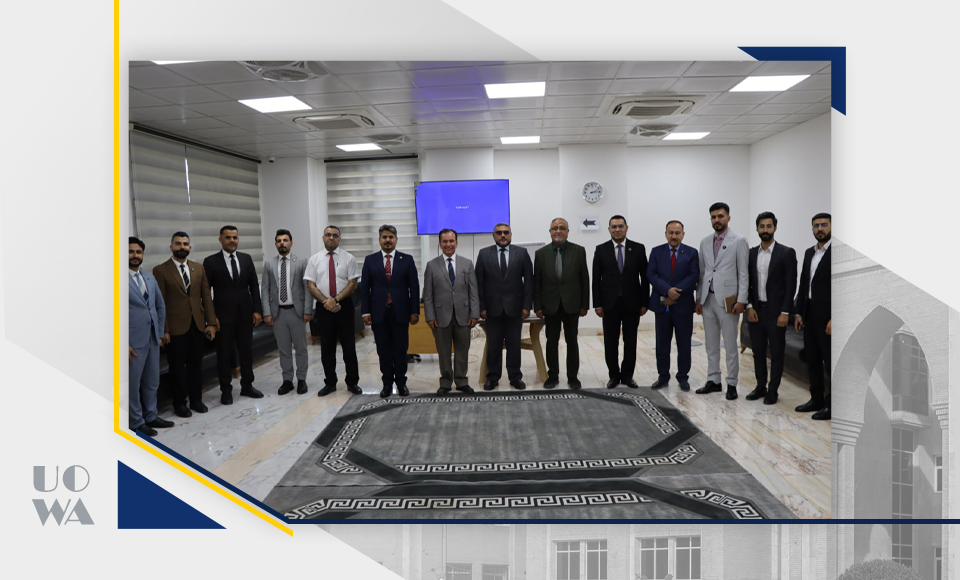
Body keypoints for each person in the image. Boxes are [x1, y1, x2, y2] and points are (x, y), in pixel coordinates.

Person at [152, 232, 217, 417]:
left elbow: (206, 297)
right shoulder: (161, 270)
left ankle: (196, 400)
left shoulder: (198, 268)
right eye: (178, 243)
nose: (182, 247)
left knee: (196, 365)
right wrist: (164, 329)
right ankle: (179, 403)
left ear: (190, 247)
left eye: (185, 244)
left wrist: (211, 323)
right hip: (175, 328)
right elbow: (160, 303)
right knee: (177, 368)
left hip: (197, 325)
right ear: (171, 247)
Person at [202, 225, 263, 405]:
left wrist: (257, 310)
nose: (232, 241)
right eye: (228, 237)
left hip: (245, 314)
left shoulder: (246, 258)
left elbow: (254, 286)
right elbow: (206, 292)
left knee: (246, 352)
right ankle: (226, 390)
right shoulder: (210, 262)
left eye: (235, 237)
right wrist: (211, 318)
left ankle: (247, 386)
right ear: (220, 239)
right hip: (223, 317)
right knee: (224, 354)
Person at [695, 203, 749, 400]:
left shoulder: (739, 240)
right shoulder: (705, 242)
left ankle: (732, 383)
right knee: (711, 344)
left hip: (729, 301)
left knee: (730, 344)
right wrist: (698, 298)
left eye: (720, 216)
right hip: (708, 299)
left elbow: (743, 273)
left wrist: (742, 300)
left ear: (728, 217)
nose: (717, 220)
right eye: (713, 217)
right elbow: (702, 272)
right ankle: (713, 379)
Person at [360, 225, 420, 398]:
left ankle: (401, 383)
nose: (388, 240)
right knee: (383, 351)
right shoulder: (370, 260)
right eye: (384, 237)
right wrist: (365, 312)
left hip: (400, 313)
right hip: (379, 314)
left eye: (391, 237)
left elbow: (414, 288)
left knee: (401, 351)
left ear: (396, 240)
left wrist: (415, 311)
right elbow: (365, 288)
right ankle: (387, 384)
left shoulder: (406, 260)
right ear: (379, 240)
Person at [744, 212, 798, 405]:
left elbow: (791, 285)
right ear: (757, 229)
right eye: (762, 226)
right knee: (758, 352)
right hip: (756, 311)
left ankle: (773, 390)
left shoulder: (786, 253)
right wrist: (749, 306)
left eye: (768, 226)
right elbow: (747, 282)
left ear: (775, 227)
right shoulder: (751, 254)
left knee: (776, 353)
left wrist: (785, 312)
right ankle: (760, 386)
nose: (765, 230)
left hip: (776, 313)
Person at [592, 215, 649, 389]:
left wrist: (644, 302)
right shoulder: (601, 249)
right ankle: (614, 376)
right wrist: (597, 304)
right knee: (610, 342)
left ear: (626, 228)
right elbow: (596, 280)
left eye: (620, 226)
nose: (617, 230)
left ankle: (627, 376)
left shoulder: (638, 248)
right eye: (614, 227)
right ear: (609, 229)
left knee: (630, 341)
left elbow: (645, 278)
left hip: (632, 303)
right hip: (609, 304)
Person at [475, 223, 534, 390]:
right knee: (493, 345)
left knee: (514, 345)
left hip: (515, 308)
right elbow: (479, 283)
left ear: (511, 235)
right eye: (499, 232)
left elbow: (529, 281)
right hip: (491, 309)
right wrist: (481, 307)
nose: (503, 235)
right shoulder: (484, 254)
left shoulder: (521, 253)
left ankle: (515, 377)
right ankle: (492, 378)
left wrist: (526, 306)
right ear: (493, 235)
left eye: (506, 232)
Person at [304, 225, 362, 396]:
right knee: (327, 348)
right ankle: (330, 383)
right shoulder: (314, 260)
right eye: (328, 235)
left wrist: (335, 300)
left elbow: (352, 284)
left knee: (349, 348)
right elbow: (310, 285)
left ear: (339, 239)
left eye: (335, 235)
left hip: (344, 307)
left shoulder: (349, 258)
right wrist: (326, 302)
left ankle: (352, 382)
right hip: (323, 309)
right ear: (323, 238)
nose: (331, 238)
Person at [534, 218, 589, 389]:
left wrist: (584, 304)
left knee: (572, 341)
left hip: (572, 304)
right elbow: (537, 282)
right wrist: (537, 306)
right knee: (551, 342)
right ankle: (553, 376)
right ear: (550, 231)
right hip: (550, 305)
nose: (558, 231)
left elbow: (584, 279)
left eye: (562, 228)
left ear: (567, 231)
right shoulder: (541, 253)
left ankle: (573, 377)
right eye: (555, 228)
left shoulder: (578, 251)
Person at [423, 229, 479, 395]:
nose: (448, 244)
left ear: (456, 243)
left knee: (463, 350)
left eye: (451, 241)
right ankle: (446, 382)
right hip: (440, 317)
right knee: (443, 351)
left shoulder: (467, 264)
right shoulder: (432, 265)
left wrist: (474, 313)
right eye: (445, 241)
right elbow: (428, 295)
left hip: (464, 316)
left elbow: (473, 291)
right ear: (440, 244)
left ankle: (461, 381)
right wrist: (430, 316)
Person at [647, 220, 700, 391]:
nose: (674, 236)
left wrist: (676, 292)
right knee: (662, 344)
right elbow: (651, 274)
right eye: (671, 232)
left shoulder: (692, 253)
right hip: (662, 305)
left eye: (677, 233)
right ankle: (663, 376)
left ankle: (683, 377)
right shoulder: (656, 252)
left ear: (683, 234)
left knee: (684, 344)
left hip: (683, 306)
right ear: (666, 234)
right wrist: (667, 290)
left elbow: (694, 275)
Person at [128, 237, 172, 436]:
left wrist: (160, 332)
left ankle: (151, 415)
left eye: (138, 252)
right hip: (132, 342)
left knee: (152, 381)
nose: (135, 255)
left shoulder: (149, 278)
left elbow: (160, 306)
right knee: (133, 384)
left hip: (153, 339)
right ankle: (136, 421)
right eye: (131, 251)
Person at [261, 229, 312, 396]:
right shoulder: (269, 264)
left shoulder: (301, 261)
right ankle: (287, 380)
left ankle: (302, 379)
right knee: (283, 349)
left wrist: (307, 310)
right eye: (279, 241)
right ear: (275, 244)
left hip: (297, 312)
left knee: (301, 348)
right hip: (278, 313)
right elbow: (265, 289)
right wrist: (266, 313)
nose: (282, 243)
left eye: (285, 240)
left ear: (291, 242)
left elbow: (307, 288)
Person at [794, 212, 832, 420]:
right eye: (816, 225)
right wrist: (799, 312)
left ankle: (833, 405)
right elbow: (804, 283)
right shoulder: (810, 253)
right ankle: (816, 399)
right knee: (813, 359)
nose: (820, 229)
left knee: (831, 362)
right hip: (809, 314)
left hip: (828, 317)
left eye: (824, 225)